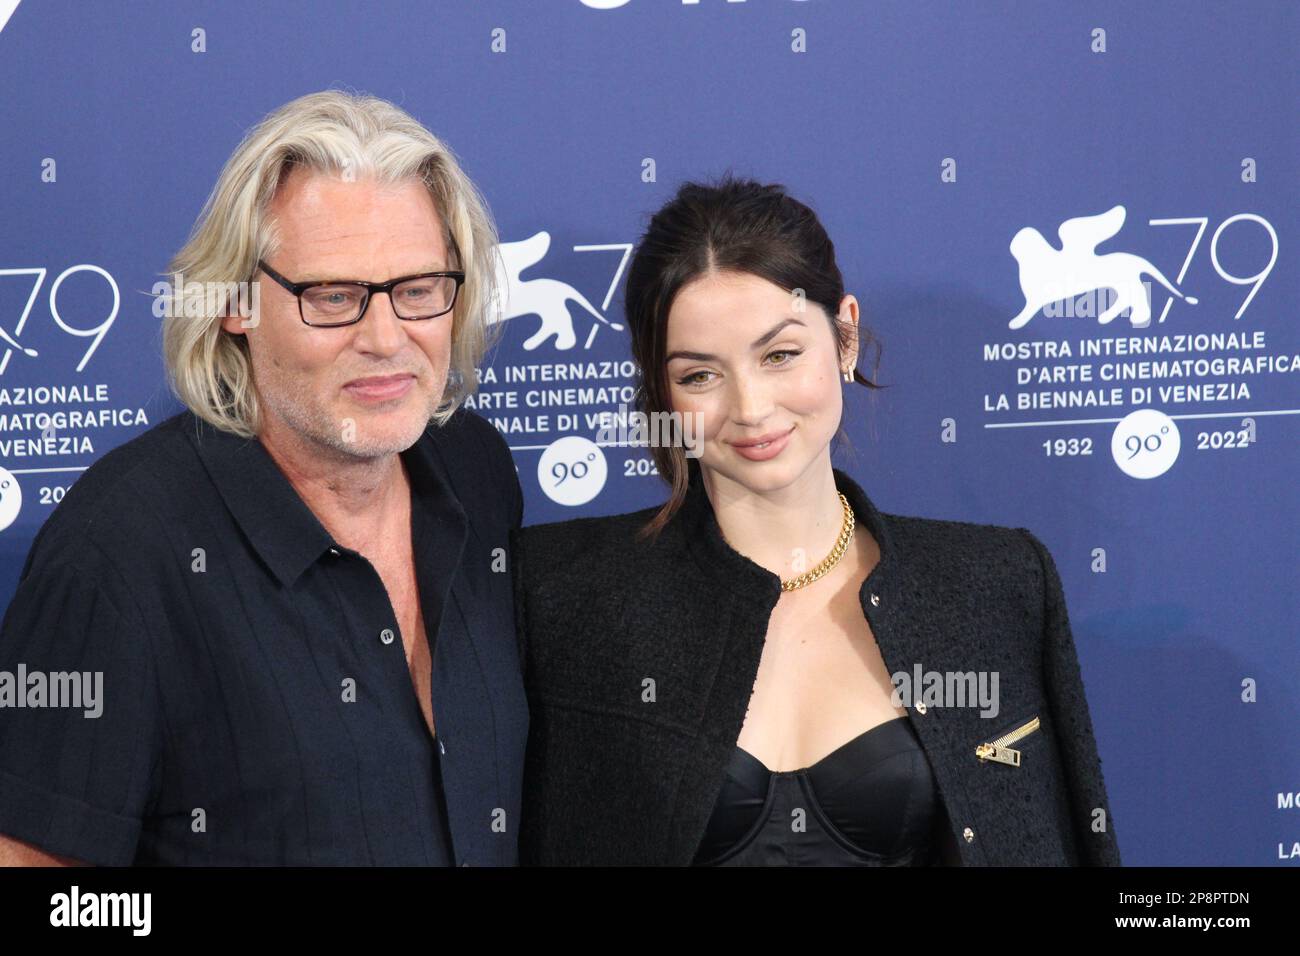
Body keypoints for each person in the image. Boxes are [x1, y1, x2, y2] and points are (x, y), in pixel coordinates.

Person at [511, 175, 1121, 866]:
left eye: (779, 355)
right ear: (659, 387)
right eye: (700, 375)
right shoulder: (559, 594)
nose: (750, 408)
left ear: (846, 335)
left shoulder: (997, 586)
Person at [0, 91, 527, 866]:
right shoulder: (118, 552)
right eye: (334, 297)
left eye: (418, 290)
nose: (386, 339)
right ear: (234, 305)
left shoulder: (475, 471)